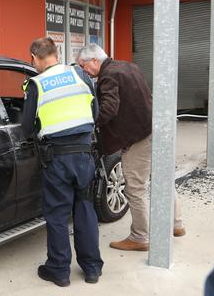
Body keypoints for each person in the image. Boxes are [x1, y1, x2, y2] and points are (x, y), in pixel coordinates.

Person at [76, 43, 186, 252]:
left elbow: (109, 108)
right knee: (163, 180)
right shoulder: (128, 67)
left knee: (135, 188)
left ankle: (139, 237)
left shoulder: (107, 76)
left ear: (94, 61)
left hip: (139, 137)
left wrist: (89, 122)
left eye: (83, 66)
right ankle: (176, 224)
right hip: (157, 129)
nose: (83, 71)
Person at [22, 37, 103, 287]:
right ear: (56, 54)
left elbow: (26, 128)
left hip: (57, 159)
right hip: (85, 155)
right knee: (86, 209)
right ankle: (91, 269)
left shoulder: (36, 84)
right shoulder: (80, 74)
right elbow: (95, 113)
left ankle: (59, 271)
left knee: (57, 214)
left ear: (34, 58)